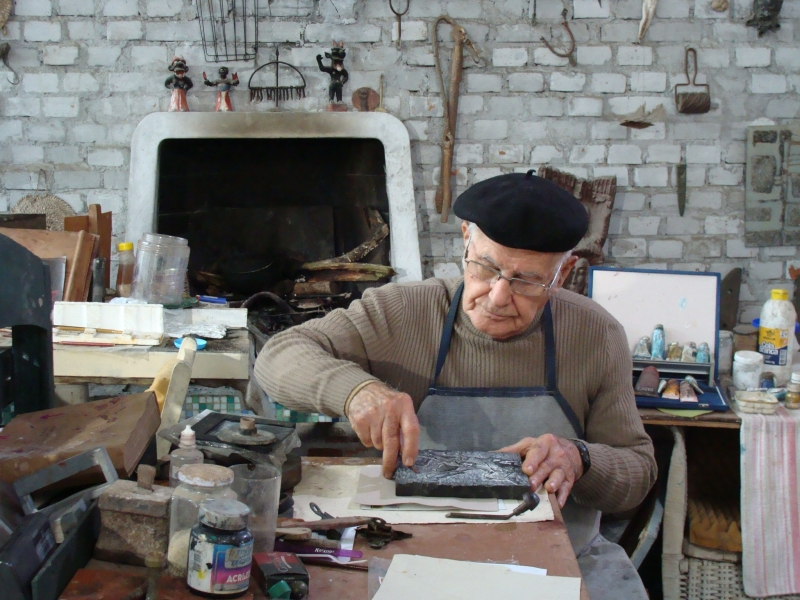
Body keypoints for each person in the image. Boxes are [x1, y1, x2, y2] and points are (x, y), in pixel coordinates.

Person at [256, 171, 657, 599]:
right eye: (486, 267)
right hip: (412, 561)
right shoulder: (402, 312)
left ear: (562, 273)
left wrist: (580, 458)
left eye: (527, 281)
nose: (499, 296)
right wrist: (356, 391)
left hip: (557, 563)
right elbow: (279, 355)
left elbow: (638, 471)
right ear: (466, 238)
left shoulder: (596, 334)